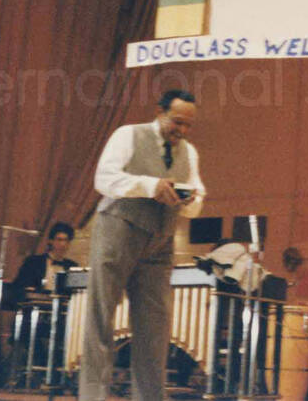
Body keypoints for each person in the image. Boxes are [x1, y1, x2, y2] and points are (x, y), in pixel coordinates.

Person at [80, 89, 207, 401]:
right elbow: (104, 179)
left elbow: (198, 196)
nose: (183, 130)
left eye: (189, 125)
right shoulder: (128, 135)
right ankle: (92, 397)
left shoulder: (189, 152)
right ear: (159, 111)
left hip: (160, 240)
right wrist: (150, 186)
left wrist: (190, 199)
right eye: (177, 122)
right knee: (101, 318)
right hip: (119, 229)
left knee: (155, 330)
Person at [12, 221, 80, 295]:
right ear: (50, 241)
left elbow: (74, 293)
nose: (63, 244)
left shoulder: (72, 266)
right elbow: (19, 286)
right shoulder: (33, 262)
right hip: (37, 304)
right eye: (59, 240)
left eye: (66, 241)